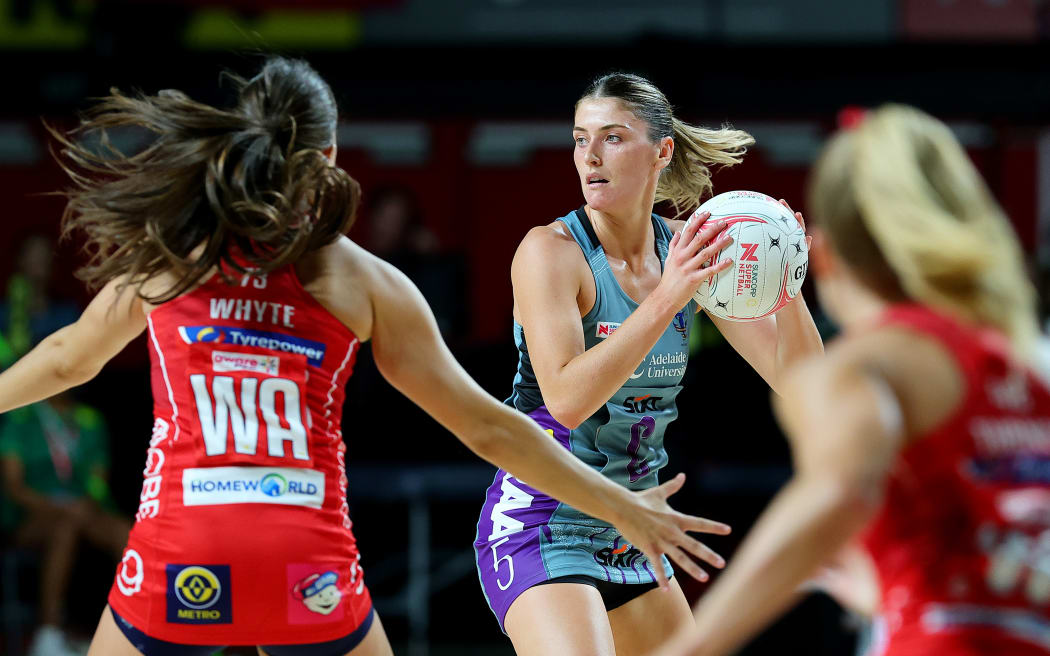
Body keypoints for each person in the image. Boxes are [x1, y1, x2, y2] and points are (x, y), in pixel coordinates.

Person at [1, 57, 731, 656]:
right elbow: (490, 427)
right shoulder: (363, 280)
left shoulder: (174, 258)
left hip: (184, 544)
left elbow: (68, 359)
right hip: (306, 561)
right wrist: (622, 507)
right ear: (328, 155)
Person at [650, 104, 1050, 656]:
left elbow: (839, 494)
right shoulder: (1030, 364)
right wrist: (890, 587)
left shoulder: (862, 369)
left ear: (829, 256)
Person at [473, 72, 823, 656]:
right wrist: (669, 295)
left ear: (662, 152)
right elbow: (565, 399)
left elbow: (804, 384)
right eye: (581, 139)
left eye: (612, 137)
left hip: (635, 525)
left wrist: (783, 281)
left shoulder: (684, 249)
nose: (590, 156)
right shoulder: (550, 252)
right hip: (543, 519)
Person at [1, 393, 130, 656]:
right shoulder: (20, 416)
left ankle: (132, 628)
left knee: (127, 532)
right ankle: (48, 634)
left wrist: (87, 502)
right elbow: (14, 486)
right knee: (64, 528)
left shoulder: (90, 419)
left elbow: (98, 481)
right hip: (33, 516)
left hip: (82, 510)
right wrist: (58, 507)